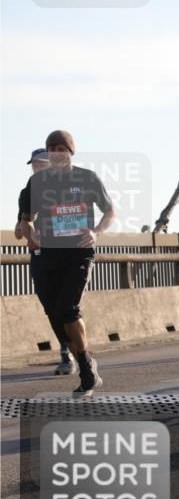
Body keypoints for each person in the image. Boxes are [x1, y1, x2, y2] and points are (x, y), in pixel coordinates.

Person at [18, 131, 116, 395]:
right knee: (56, 315)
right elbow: (25, 220)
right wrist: (32, 233)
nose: (57, 153)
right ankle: (87, 365)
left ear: (71, 151)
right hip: (48, 255)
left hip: (79, 252)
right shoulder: (37, 183)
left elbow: (110, 211)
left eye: (62, 148)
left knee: (68, 308)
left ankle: (85, 368)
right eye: (52, 149)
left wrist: (96, 231)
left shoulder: (87, 178)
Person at [15, 148, 75, 376]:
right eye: (34, 165)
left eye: (41, 164)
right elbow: (20, 226)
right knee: (51, 308)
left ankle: (70, 355)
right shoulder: (27, 192)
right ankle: (67, 351)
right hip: (41, 257)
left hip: (67, 255)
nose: (37, 168)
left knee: (67, 307)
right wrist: (22, 230)